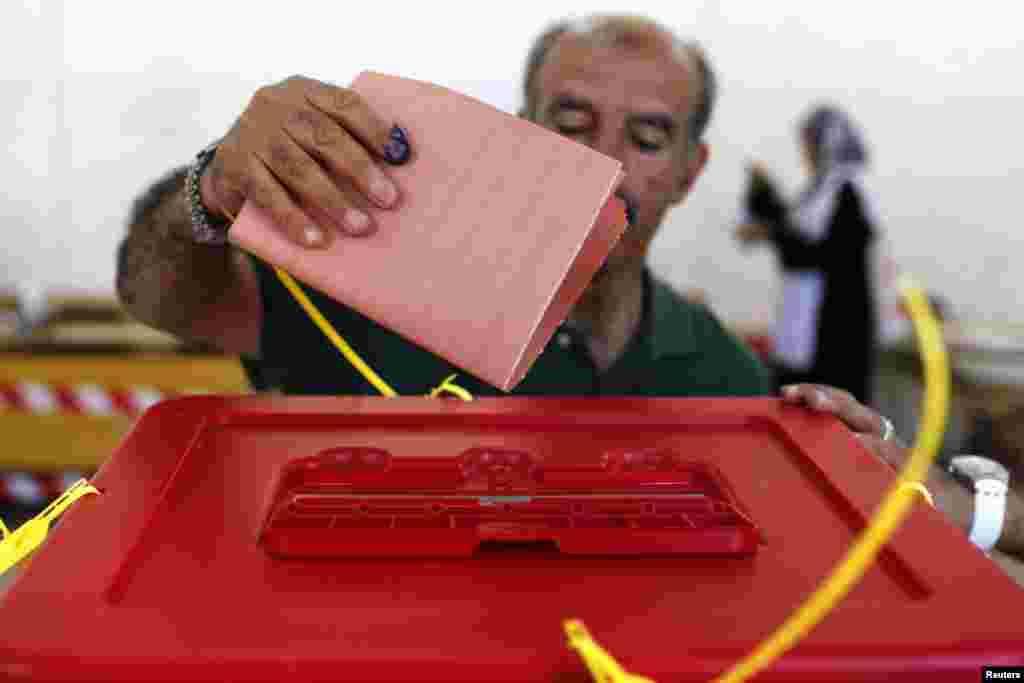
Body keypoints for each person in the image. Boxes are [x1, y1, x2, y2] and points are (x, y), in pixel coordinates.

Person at [116, 15, 770, 398]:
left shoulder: (724, 374)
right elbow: (160, 297)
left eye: (648, 138)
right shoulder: (376, 278)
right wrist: (210, 190)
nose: (605, 163)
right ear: (522, 130)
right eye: (571, 124)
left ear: (690, 171)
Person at [736, 106, 879, 405]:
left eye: (808, 144)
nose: (805, 152)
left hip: (834, 330)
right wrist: (765, 194)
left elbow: (827, 255)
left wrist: (771, 233)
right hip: (804, 326)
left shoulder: (849, 190)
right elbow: (796, 234)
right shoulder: (822, 189)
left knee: (832, 419)